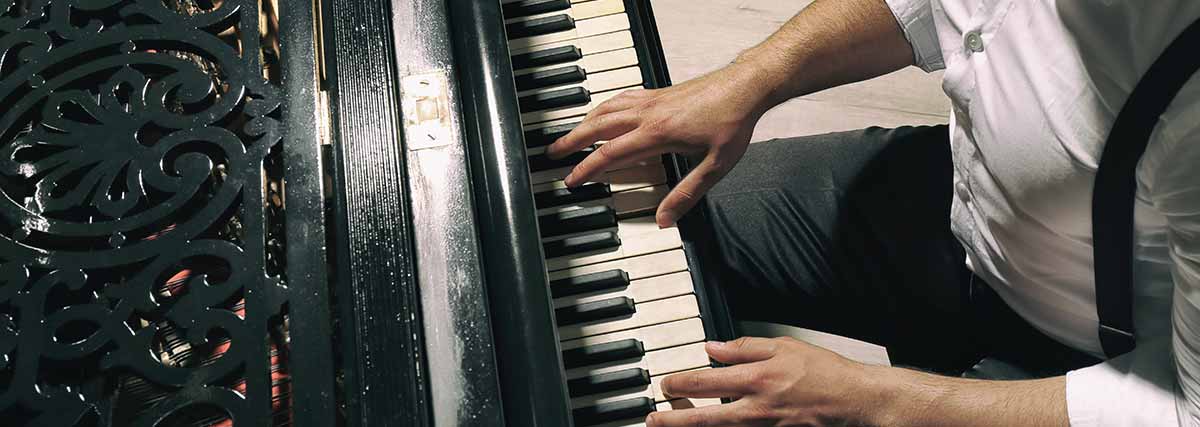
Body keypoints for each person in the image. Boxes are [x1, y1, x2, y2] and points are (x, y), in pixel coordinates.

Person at [546, 0, 1200, 426]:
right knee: (622, 226)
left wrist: (879, 401)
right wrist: (751, 76)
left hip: (1085, 364)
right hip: (953, 204)